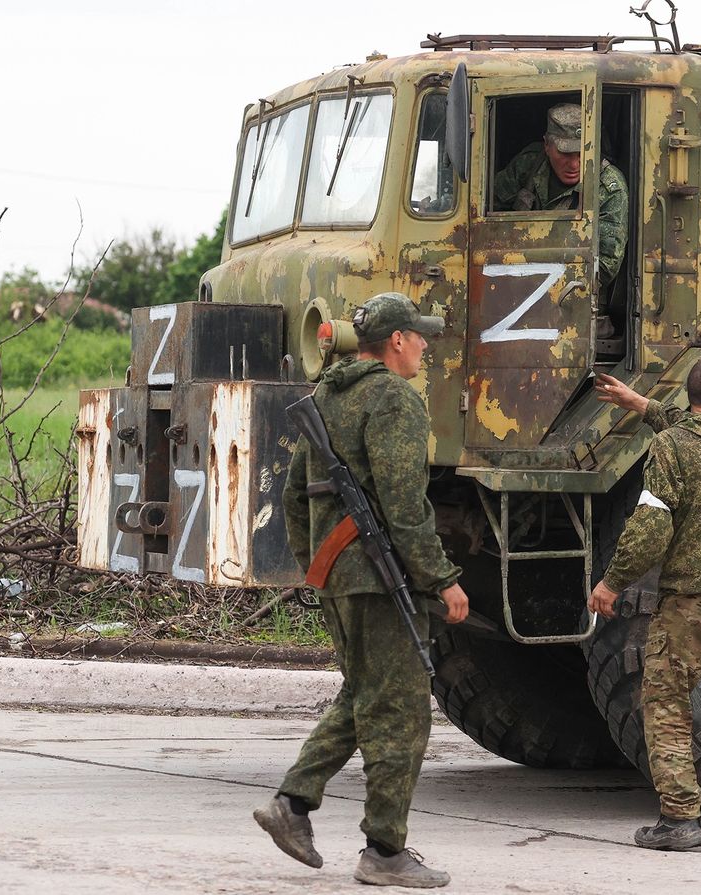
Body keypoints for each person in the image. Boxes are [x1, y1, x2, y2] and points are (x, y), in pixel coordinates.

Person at [255, 292, 469, 888]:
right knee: (400, 712)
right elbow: (405, 508)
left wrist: (319, 564)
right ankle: (384, 851)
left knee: (366, 695)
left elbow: (295, 498)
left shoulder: (327, 395)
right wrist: (441, 580)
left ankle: (292, 805)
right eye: (419, 336)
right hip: (381, 581)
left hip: (340, 578)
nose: (426, 346)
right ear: (396, 340)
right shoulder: (394, 399)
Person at [588, 362, 701, 855]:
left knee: (667, 703)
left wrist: (611, 582)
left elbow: (650, 527)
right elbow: (697, 433)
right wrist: (644, 406)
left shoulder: (672, 448)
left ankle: (679, 819)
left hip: (693, 601)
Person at [492, 102, 628, 288]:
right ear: (547, 145)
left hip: (573, 294)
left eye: (581, 154)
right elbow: (488, 212)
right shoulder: (529, 165)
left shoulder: (608, 186)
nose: (574, 164)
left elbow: (604, 268)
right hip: (512, 283)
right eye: (565, 153)